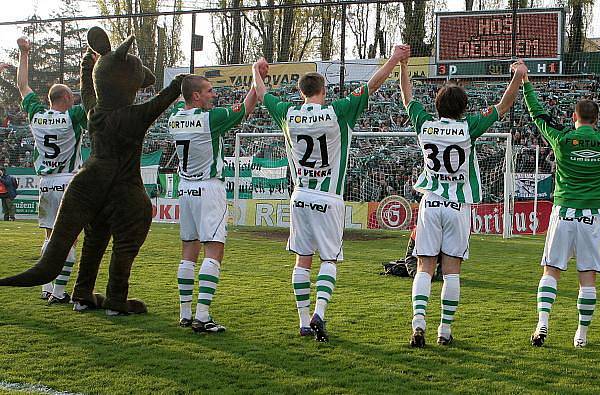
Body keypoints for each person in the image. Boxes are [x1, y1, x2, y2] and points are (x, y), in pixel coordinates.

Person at [253, 44, 411, 342]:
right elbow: (372, 85)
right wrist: (394, 59)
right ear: (323, 90)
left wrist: (255, 70)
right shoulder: (338, 111)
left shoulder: (288, 113)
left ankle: (302, 321)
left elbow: (261, 94)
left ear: (301, 92)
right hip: (329, 198)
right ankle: (319, 313)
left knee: (302, 260)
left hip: (300, 194)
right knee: (329, 260)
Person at [402, 60, 527, 347]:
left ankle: (418, 323)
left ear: (437, 106)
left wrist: (405, 68)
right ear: (463, 108)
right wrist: (518, 78)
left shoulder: (426, 124)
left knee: (424, 266)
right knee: (451, 269)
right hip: (458, 205)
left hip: (430, 202)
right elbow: (502, 106)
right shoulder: (468, 127)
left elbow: (408, 97)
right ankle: (444, 331)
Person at [524, 67, 600, 349]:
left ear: (574, 117)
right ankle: (581, 335)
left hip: (563, 212)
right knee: (587, 278)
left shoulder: (562, 139)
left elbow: (538, 115)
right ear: (597, 119)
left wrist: (527, 82)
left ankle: (542, 324)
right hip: (592, 217)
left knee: (551, 270)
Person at [168, 73, 258, 333]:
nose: (213, 95)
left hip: (185, 189)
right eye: (208, 91)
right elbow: (247, 106)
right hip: (209, 187)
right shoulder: (211, 119)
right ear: (196, 96)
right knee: (214, 249)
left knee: (188, 251)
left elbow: (179, 99)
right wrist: (256, 77)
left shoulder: (174, 119)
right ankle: (203, 315)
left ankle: (185, 313)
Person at [16, 36, 87, 304]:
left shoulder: (36, 113)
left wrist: (24, 54)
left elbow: (22, 85)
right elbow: (96, 103)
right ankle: (57, 291)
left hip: (45, 183)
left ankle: (46, 286)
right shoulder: (73, 115)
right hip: (69, 182)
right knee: (70, 239)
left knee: (49, 236)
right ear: (66, 98)